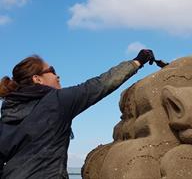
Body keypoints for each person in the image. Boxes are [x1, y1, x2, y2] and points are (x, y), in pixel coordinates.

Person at [0, 49, 155, 179]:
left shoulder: (7, 114)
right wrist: (137, 61)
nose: (57, 76)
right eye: (52, 71)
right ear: (37, 78)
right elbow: (99, 85)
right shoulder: (56, 102)